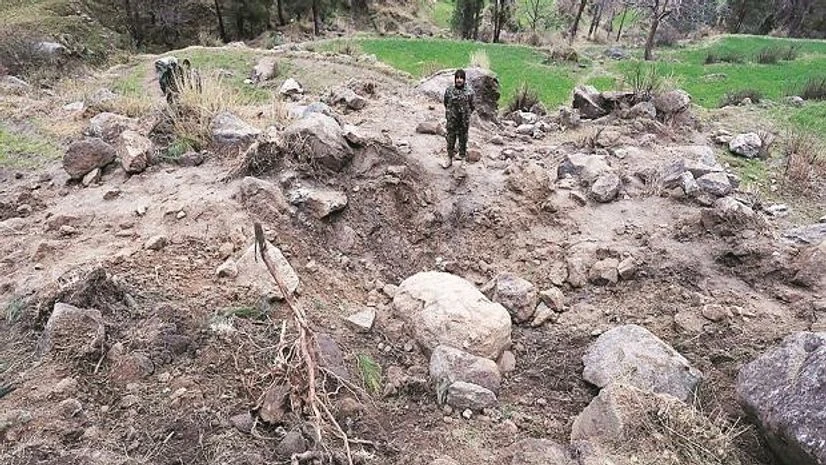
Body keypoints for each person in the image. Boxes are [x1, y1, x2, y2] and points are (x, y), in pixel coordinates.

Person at [442, 69, 475, 169]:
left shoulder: (469, 92)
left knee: (463, 140)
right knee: (450, 139)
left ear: (464, 80)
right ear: (455, 79)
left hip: (463, 122)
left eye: (461, 78)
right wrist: (451, 113)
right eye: (457, 78)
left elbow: (472, 106)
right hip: (452, 121)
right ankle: (449, 159)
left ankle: (463, 160)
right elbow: (445, 102)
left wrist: (465, 115)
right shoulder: (449, 90)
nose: (459, 80)